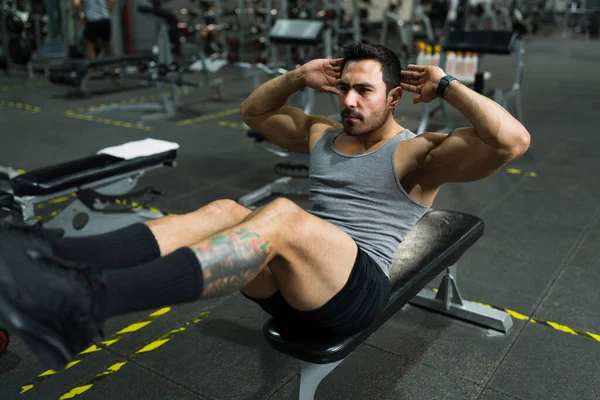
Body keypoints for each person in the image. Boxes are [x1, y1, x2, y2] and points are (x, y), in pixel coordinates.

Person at [0, 42, 530, 371]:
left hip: (356, 289)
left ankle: (93, 300)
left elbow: (511, 141)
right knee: (223, 210)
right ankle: (60, 253)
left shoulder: (420, 154)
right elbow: (253, 111)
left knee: (279, 213)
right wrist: (299, 76)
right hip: (292, 282)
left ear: (394, 98)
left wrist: (448, 86)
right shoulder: (323, 133)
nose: (348, 101)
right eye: (343, 88)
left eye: (364, 91)